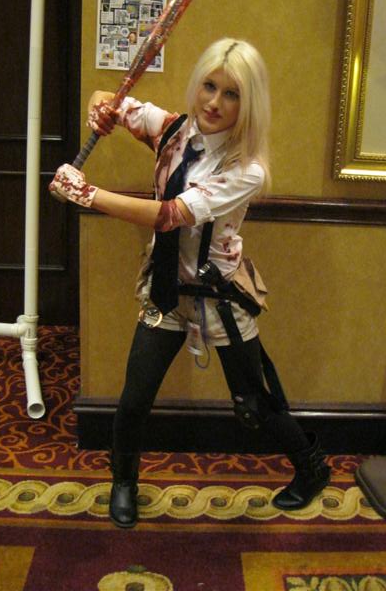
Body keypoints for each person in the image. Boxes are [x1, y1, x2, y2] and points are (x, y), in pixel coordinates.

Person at [49, 38, 331, 529]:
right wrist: (103, 112)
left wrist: (87, 194)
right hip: (165, 289)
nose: (214, 103)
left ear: (249, 104)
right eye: (209, 86)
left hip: (219, 297)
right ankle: (124, 482)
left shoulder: (246, 169)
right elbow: (108, 98)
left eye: (231, 94)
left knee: (253, 404)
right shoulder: (174, 129)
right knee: (134, 399)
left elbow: (169, 215)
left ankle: (311, 468)